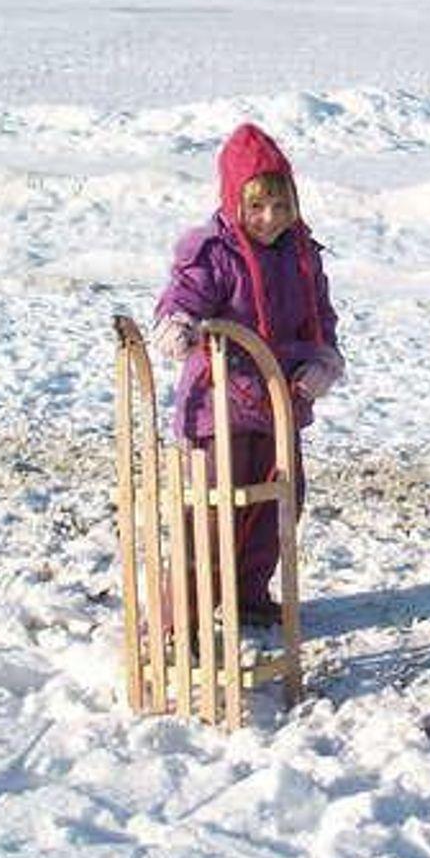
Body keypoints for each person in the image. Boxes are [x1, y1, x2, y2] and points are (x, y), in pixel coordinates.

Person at [149, 124, 343, 626]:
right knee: (214, 512)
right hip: (220, 406)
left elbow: (320, 318)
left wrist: (323, 361)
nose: (270, 218)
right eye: (256, 206)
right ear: (234, 200)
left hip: (280, 402)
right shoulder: (214, 251)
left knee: (277, 505)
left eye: (280, 205)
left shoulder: (303, 255)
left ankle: (247, 594)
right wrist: (178, 324)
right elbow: (184, 296)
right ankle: (182, 615)